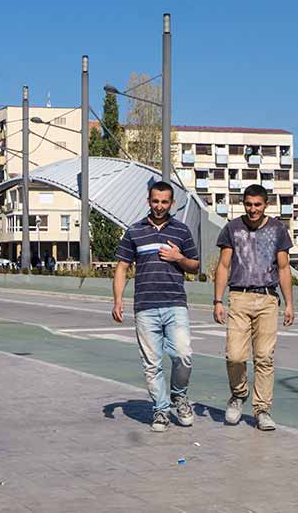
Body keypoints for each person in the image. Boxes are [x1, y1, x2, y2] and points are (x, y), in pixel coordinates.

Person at [112, 182, 200, 433]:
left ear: (171, 203)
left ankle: (179, 397)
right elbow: (122, 267)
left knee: (183, 354)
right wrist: (118, 300)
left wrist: (179, 258)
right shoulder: (134, 231)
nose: (159, 206)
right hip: (145, 307)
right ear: (148, 201)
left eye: (164, 202)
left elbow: (195, 265)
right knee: (152, 364)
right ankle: (161, 411)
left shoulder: (181, 231)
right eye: (155, 201)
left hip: (175, 304)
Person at [213, 184, 295, 432]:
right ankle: (239, 394)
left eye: (257, 204)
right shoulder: (232, 228)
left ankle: (262, 410)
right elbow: (224, 266)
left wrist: (289, 303)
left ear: (266, 205)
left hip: (268, 299)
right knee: (235, 355)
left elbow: (283, 268)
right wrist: (218, 300)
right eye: (248, 204)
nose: (252, 209)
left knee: (264, 358)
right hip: (239, 296)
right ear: (243, 204)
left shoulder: (278, 229)